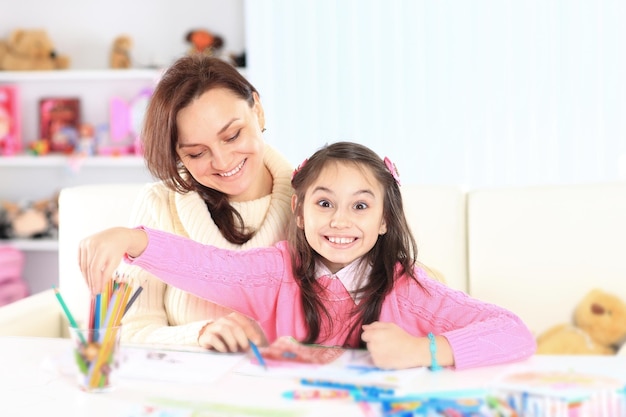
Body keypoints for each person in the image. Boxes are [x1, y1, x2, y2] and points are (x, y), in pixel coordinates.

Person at [79, 142, 536, 370]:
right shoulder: (276, 272)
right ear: (298, 212)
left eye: (360, 206)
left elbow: (514, 332)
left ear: (383, 220)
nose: (340, 221)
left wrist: (422, 350)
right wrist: (132, 239)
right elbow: (208, 266)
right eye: (324, 203)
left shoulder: (408, 288)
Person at [93, 54, 294, 350]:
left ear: (258, 110)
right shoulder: (160, 205)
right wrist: (198, 335)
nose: (223, 162)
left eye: (233, 135)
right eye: (197, 153)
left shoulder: (319, 201)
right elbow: (127, 331)